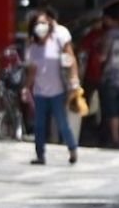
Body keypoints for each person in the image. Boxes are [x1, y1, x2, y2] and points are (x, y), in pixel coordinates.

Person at [25, 9, 80, 166]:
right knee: (39, 124)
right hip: (40, 92)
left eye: (43, 23)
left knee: (63, 123)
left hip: (58, 91)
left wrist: (73, 80)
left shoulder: (57, 41)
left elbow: (70, 60)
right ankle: (40, 154)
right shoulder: (32, 47)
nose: (41, 26)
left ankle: (72, 149)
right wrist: (26, 87)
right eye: (37, 24)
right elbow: (31, 71)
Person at [98, 5, 119, 148]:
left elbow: (103, 56)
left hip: (110, 76)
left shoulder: (109, 34)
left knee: (112, 110)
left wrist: (98, 53)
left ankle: (115, 139)